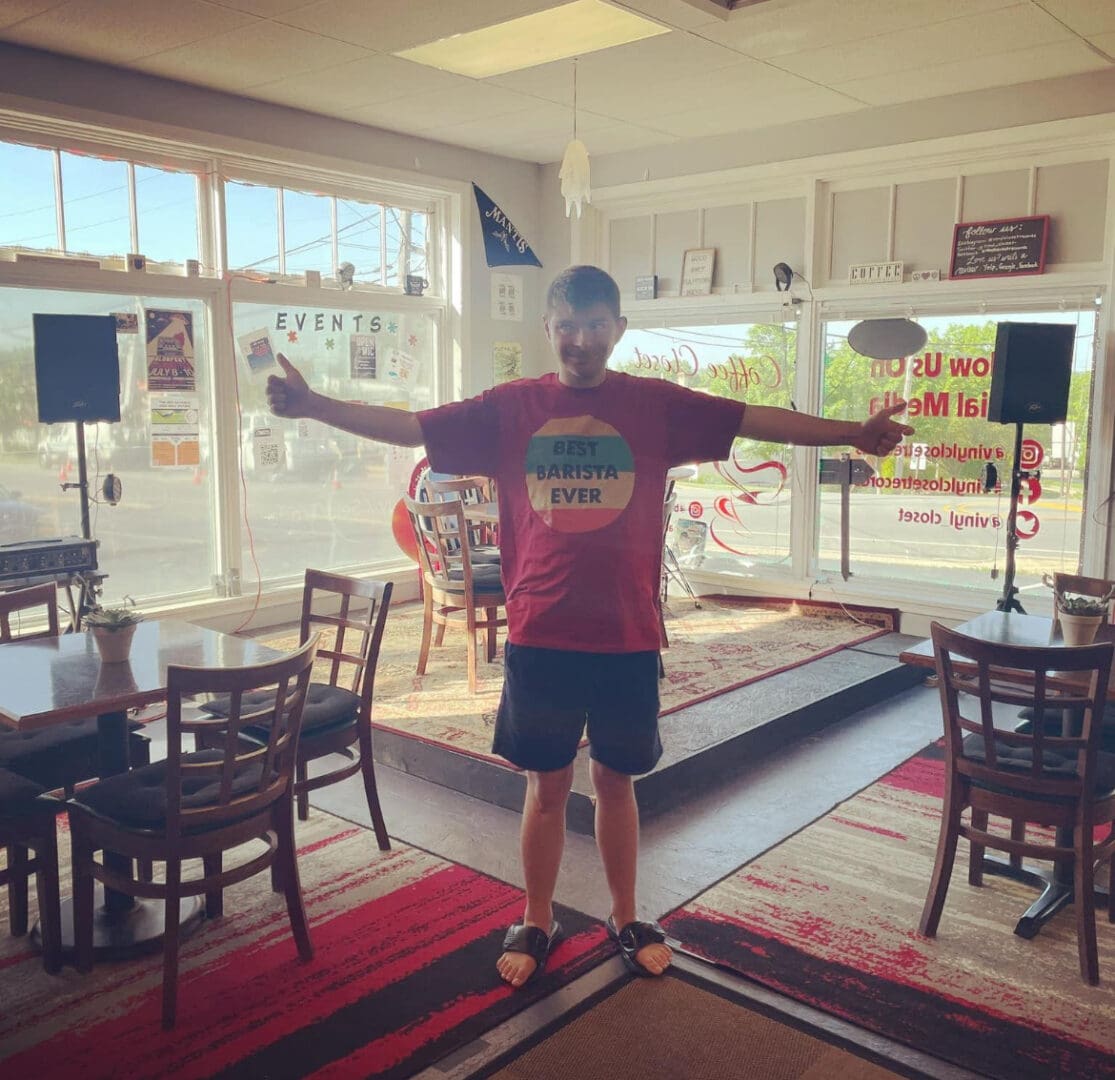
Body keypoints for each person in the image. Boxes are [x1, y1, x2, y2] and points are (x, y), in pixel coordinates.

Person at [266, 264, 914, 988]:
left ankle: (626, 914)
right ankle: (536, 917)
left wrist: (852, 433)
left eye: (595, 324)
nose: (580, 340)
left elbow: (751, 417)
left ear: (617, 330)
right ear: (548, 330)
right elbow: (411, 426)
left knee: (615, 781)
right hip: (540, 634)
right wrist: (315, 405)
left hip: (627, 636)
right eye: (567, 326)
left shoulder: (653, 406)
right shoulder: (511, 407)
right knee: (545, 788)